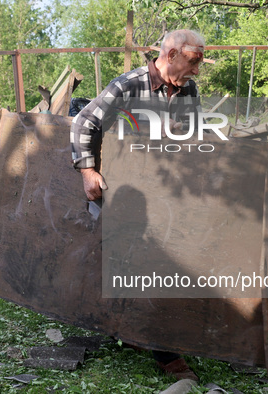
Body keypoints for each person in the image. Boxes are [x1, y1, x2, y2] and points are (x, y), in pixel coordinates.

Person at [70, 29, 206, 382]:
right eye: (194, 61)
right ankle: (167, 353)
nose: (197, 70)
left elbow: (197, 134)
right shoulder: (128, 85)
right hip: (127, 193)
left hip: (166, 194)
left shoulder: (188, 90)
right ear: (172, 54)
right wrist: (87, 171)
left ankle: (135, 331)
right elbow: (85, 121)